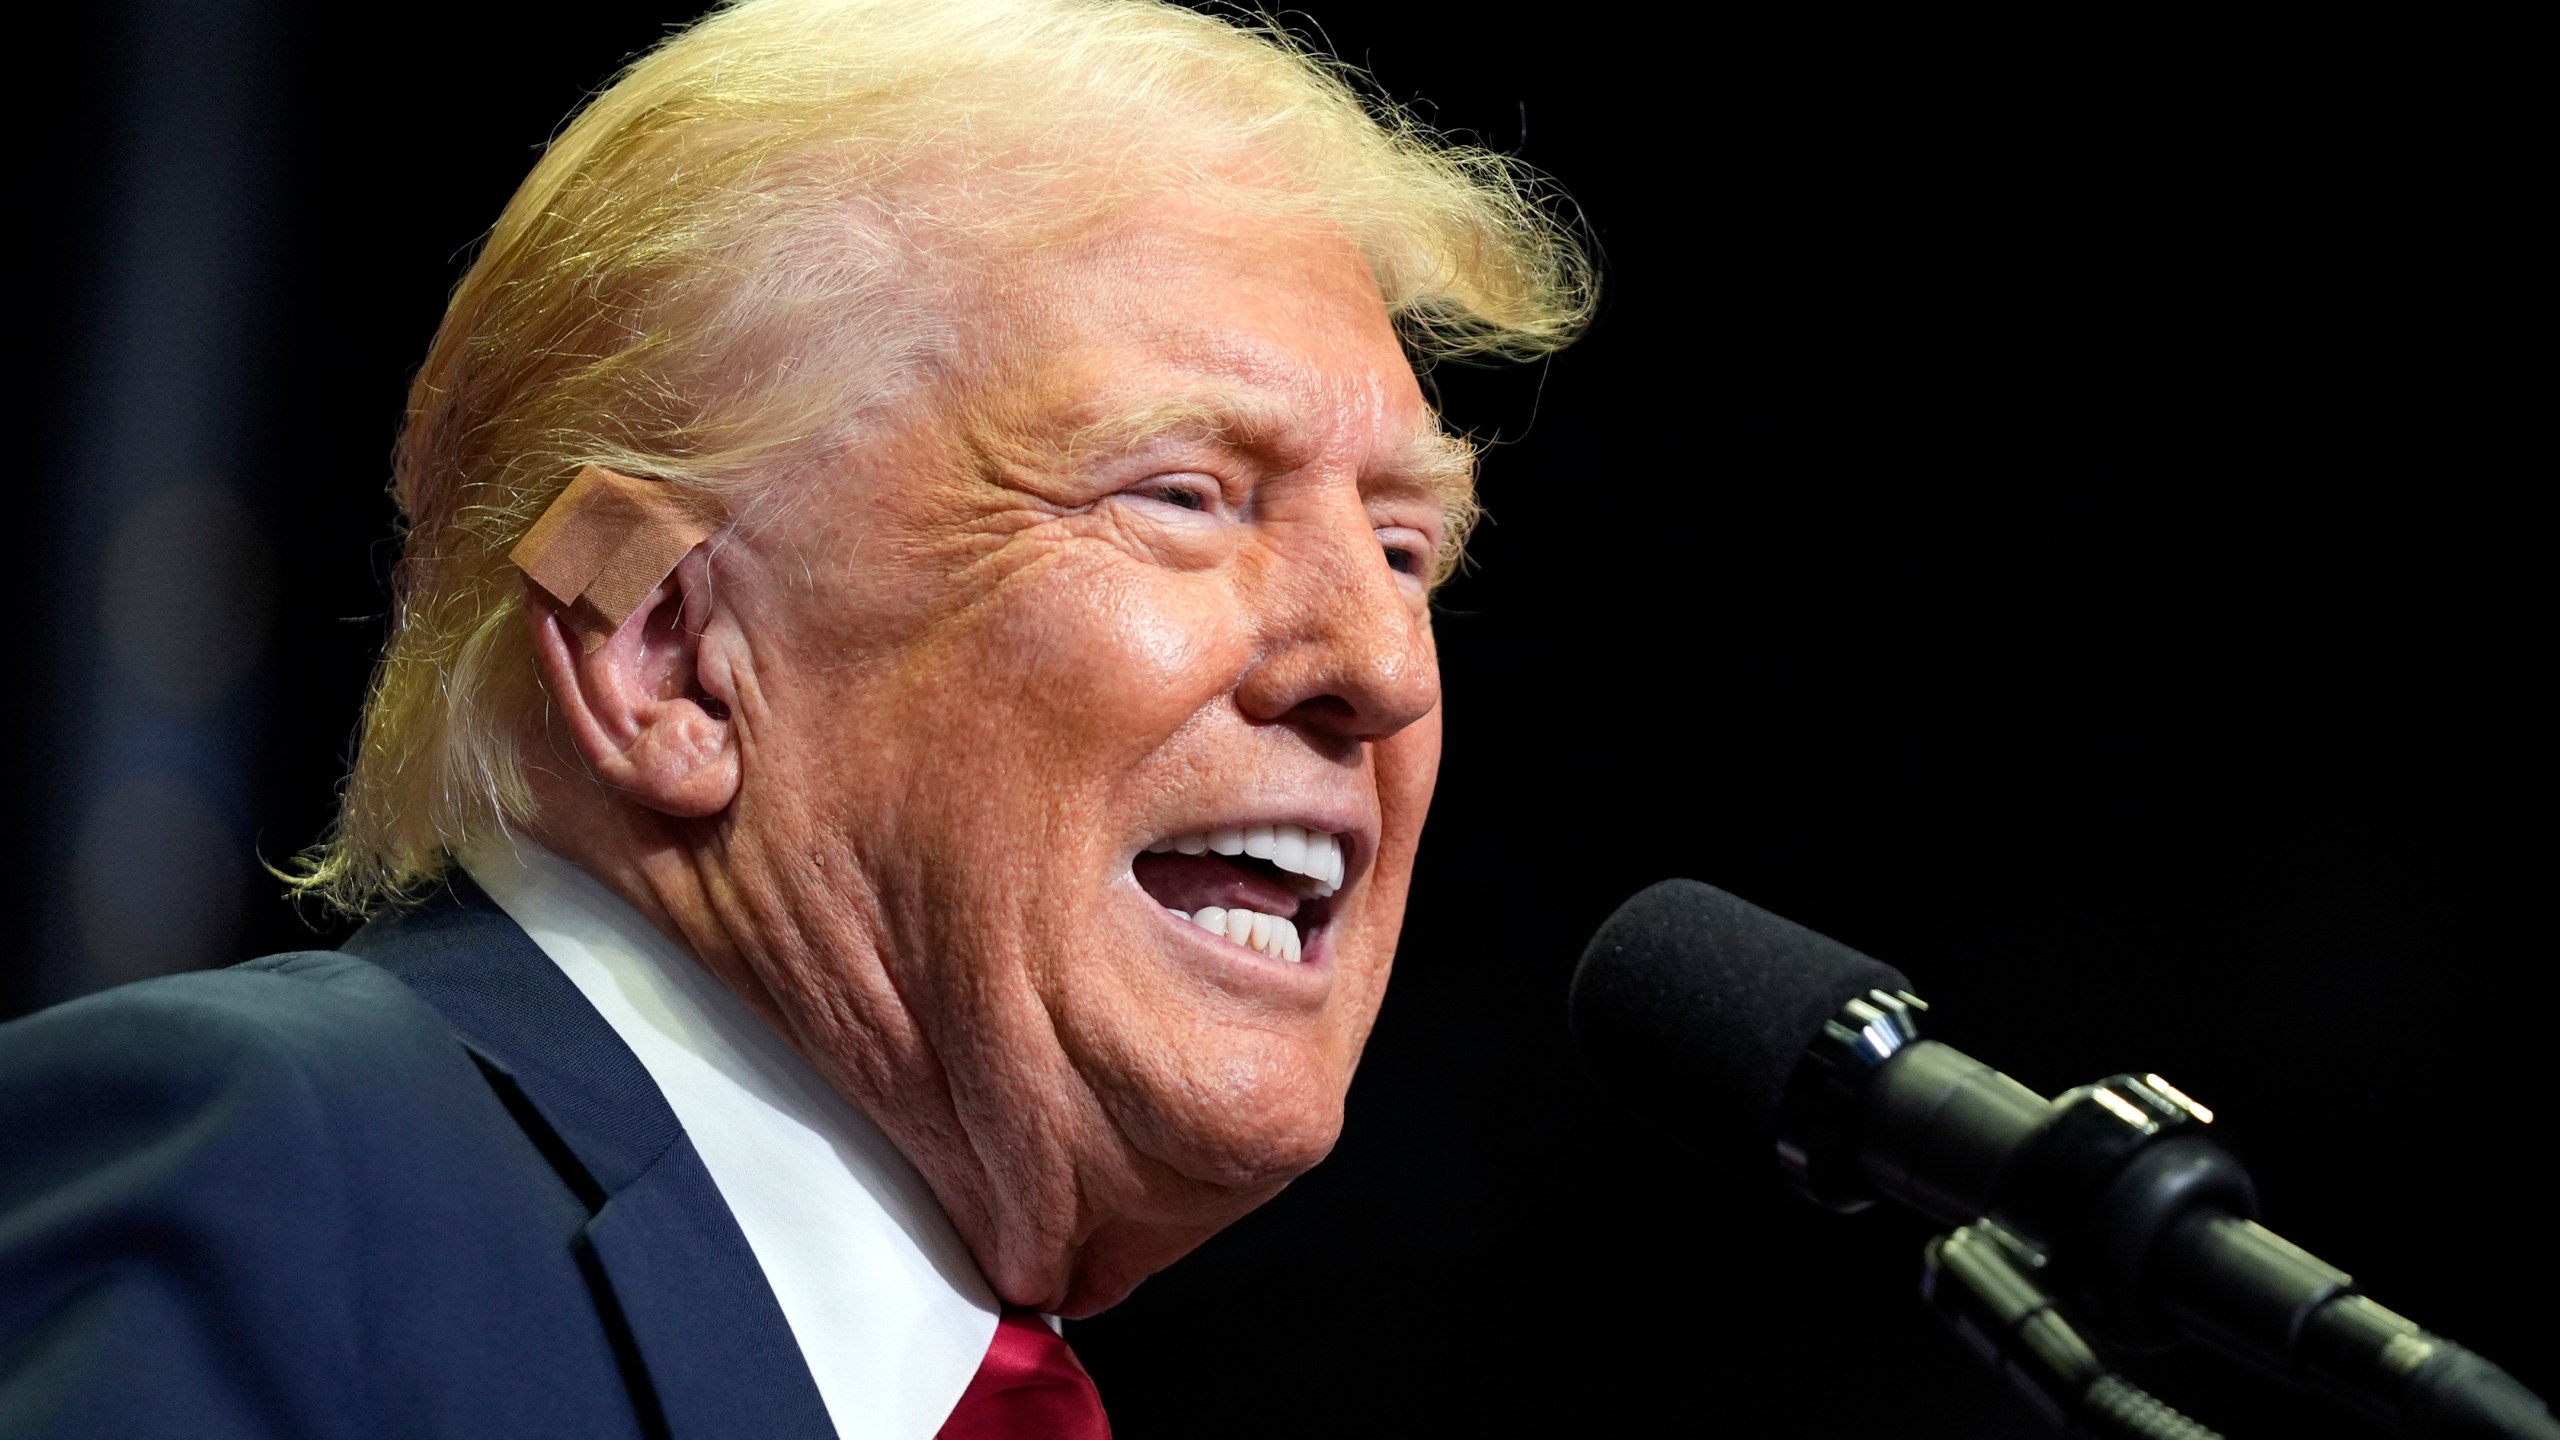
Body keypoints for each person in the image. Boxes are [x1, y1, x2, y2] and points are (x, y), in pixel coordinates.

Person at [0, 0, 1589, 1434]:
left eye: (1404, 548)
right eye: (1182, 496)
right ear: (666, 652)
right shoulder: (277, 1183)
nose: (1383, 665)